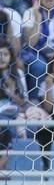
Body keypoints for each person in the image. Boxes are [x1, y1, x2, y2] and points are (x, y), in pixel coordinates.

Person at [0, 39, 28, 171]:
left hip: (14, 110)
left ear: (10, 56)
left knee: (13, 123)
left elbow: (24, 102)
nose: (2, 58)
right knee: (5, 124)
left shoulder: (17, 74)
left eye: (5, 54)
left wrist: (11, 93)